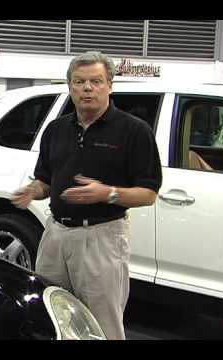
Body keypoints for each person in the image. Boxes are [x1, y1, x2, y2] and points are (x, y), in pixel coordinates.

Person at [10, 51, 162, 340]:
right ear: (70, 87)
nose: (87, 88)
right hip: (54, 235)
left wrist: (108, 193)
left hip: (102, 237)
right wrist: (33, 190)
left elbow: (149, 193)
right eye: (79, 82)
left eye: (95, 81)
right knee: (50, 310)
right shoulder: (55, 130)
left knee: (102, 321)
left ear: (110, 85)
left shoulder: (134, 131)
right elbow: (45, 180)